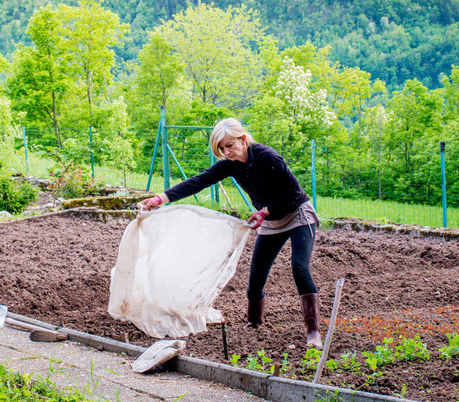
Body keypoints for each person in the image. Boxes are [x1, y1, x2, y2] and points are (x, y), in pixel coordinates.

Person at [137, 118, 323, 349]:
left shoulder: (268, 158)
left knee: (299, 267)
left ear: (243, 139)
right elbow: (198, 182)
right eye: (222, 149)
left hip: (297, 214)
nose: (227, 152)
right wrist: (160, 199)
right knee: (256, 276)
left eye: (230, 146)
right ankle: (254, 323)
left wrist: (264, 211)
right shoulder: (230, 164)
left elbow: (294, 193)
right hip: (270, 220)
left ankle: (313, 332)